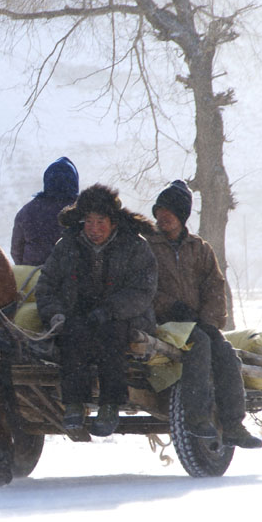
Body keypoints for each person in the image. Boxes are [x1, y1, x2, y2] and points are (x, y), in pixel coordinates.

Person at [147, 180, 262, 449]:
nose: (163, 216)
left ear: (182, 216)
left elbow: (214, 287)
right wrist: (168, 307)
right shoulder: (147, 247)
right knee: (198, 346)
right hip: (162, 323)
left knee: (225, 352)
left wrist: (210, 322)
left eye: (170, 212)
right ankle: (197, 419)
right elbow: (142, 288)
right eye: (160, 210)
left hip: (197, 323)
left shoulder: (200, 249)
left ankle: (233, 425)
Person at [35, 184, 157, 436]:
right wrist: (56, 314)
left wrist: (110, 310)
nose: (93, 228)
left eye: (100, 221)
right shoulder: (66, 245)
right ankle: (74, 405)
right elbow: (46, 286)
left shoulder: (134, 246)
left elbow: (142, 291)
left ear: (113, 222)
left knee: (111, 337)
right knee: (70, 336)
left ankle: (110, 405)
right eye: (88, 221)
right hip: (76, 314)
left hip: (125, 317)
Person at [11, 156, 79, 266]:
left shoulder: (27, 211)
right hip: (72, 276)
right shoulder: (81, 210)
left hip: (33, 275)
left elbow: (17, 250)